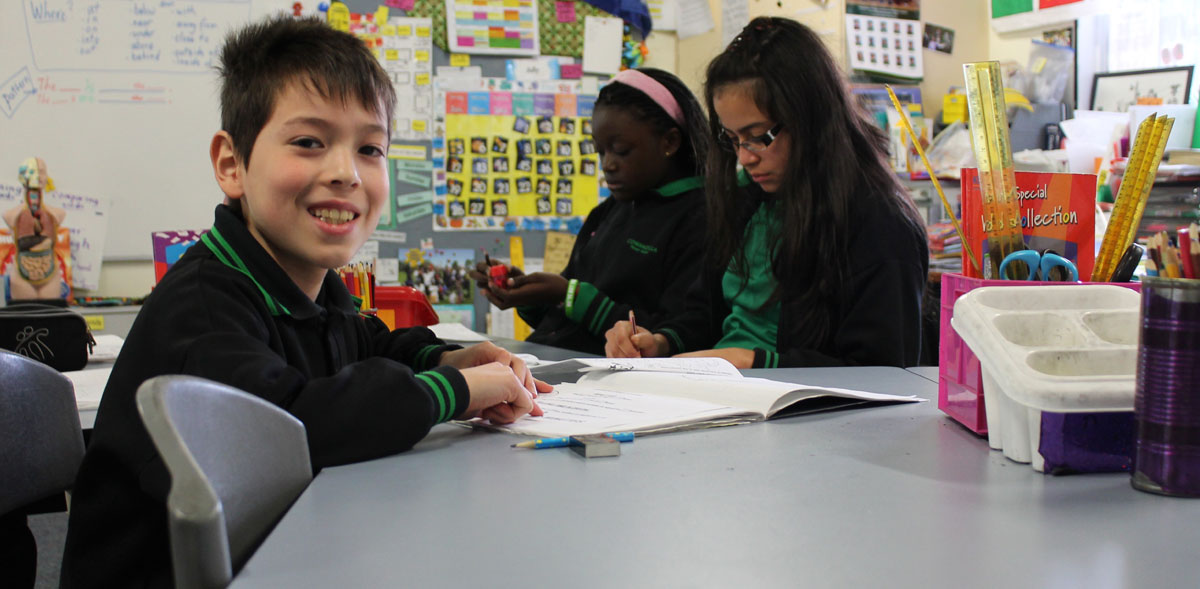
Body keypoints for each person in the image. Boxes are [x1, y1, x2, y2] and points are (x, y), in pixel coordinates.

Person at [60, 16, 546, 587]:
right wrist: (458, 392)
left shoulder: (309, 281)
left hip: (286, 547)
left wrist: (442, 358)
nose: (344, 172)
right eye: (309, 142)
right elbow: (297, 429)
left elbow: (367, 342)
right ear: (231, 164)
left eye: (370, 148)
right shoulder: (203, 307)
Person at [606, 17, 928, 368]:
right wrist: (661, 341)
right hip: (726, 394)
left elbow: (884, 373)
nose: (745, 157)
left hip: (800, 412)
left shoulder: (879, 224)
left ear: (810, 118)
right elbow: (705, 312)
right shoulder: (746, 199)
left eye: (759, 136)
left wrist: (756, 361)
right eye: (732, 139)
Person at [468, 67, 709, 355]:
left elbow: (679, 335)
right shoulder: (609, 211)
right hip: (552, 361)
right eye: (600, 151)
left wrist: (568, 294)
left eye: (620, 150)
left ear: (669, 142)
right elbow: (564, 314)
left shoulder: (699, 218)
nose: (607, 164)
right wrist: (526, 293)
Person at [3, 157, 68, 301]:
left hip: (48, 269)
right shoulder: (12, 215)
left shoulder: (56, 214)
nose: (37, 177)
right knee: (24, 317)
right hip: (23, 272)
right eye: (33, 172)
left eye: (42, 172)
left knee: (50, 318)